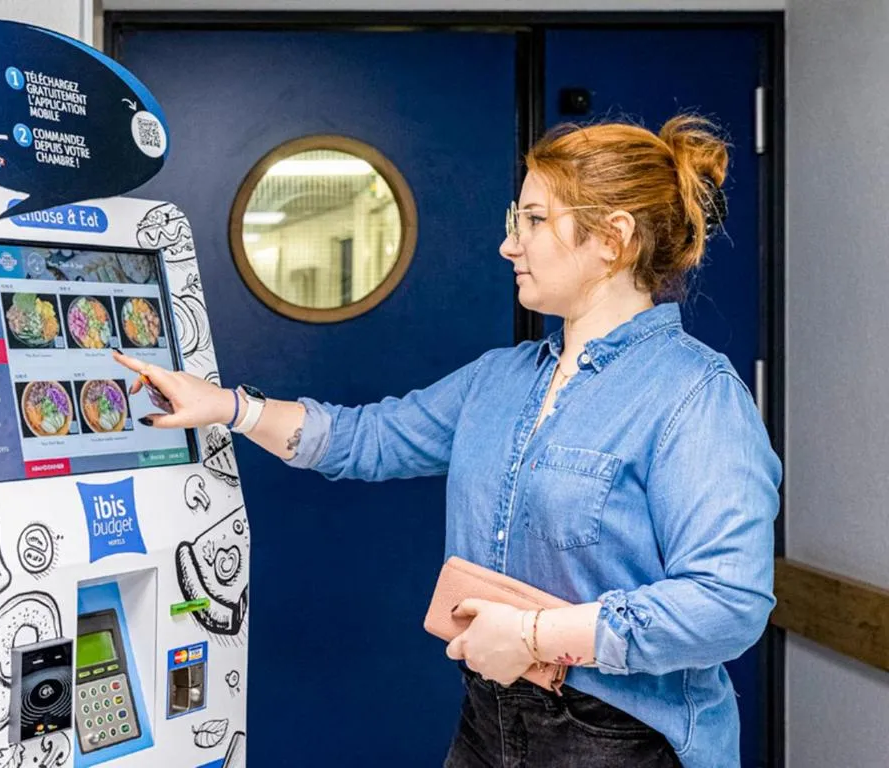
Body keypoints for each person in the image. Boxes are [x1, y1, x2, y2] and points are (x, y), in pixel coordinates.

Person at [114, 114, 781, 768]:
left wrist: (532, 636)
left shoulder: (696, 396)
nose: (509, 246)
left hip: (618, 740)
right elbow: (366, 439)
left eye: (534, 221)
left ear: (613, 239)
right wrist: (228, 406)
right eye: (512, 223)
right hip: (488, 719)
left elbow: (727, 604)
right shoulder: (503, 377)